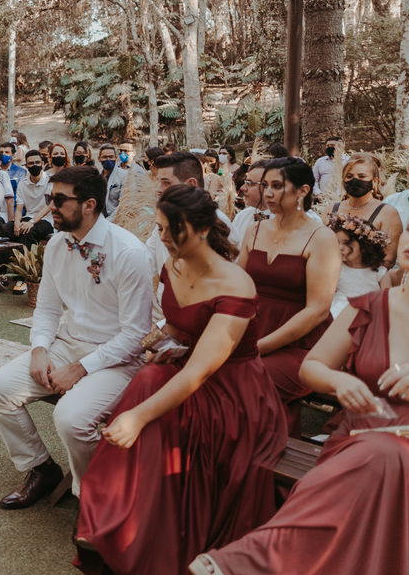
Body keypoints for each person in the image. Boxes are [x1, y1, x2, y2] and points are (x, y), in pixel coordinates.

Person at [190, 191, 409, 575]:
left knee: (387, 454)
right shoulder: (370, 306)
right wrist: (339, 382)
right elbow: (313, 367)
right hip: (357, 439)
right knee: (374, 453)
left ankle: (251, 561)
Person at [75, 185, 286, 575]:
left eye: (174, 229)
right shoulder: (172, 265)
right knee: (150, 375)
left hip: (233, 394)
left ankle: (133, 523)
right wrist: (149, 345)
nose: (164, 238)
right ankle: (118, 517)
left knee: (148, 398)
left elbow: (200, 372)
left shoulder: (236, 285)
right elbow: (174, 324)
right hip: (183, 368)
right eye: (159, 228)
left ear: (203, 229)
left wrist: (136, 417)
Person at [0, 165, 152, 508]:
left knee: (71, 419)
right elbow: (46, 309)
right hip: (67, 344)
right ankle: (41, 468)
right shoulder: (58, 244)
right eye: (50, 197)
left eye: (59, 199)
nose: (50, 206)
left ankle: (93, 498)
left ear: (89, 205)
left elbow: (136, 335)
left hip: (117, 360)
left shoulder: (129, 252)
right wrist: (39, 349)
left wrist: (80, 368)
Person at [239, 156, 340, 404]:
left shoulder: (321, 238)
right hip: (254, 330)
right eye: (265, 186)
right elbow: (238, 289)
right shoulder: (254, 230)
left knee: (249, 379)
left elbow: (317, 310)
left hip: (302, 343)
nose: (268, 193)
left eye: (277, 186)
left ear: (302, 191)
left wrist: (258, 347)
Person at [147, 152, 238, 318]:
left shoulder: (216, 223)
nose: (159, 190)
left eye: (166, 183)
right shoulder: (164, 220)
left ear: (191, 184)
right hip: (163, 312)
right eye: (158, 182)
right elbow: (147, 260)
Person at [326, 153, 404, 269]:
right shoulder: (331, 210)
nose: (355, 180)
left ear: (374, 181)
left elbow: (389, 259)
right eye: (349, 176)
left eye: (362, 176)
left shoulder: (388, 213)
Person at [328, 215, 391, 318]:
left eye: (346, 243)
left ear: (364, 247)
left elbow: (387, 301)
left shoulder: (379, 272)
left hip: (369, 313)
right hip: (338, 312)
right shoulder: (337, 268)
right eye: (337, 242)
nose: (340, 248)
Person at [13, 148, 54, 246]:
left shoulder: (51, 181)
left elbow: (48, 206)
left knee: (27, 232)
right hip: (27, 218)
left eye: (37, 162)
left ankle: (28, 256)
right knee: (5, 229)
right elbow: (19, 209)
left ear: (42, 164)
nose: (35, 165)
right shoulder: (22, 184)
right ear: (26, 166)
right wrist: (16, 223)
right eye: (31, 163)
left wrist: (31, 222)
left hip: (47, 220)